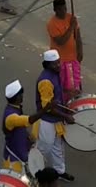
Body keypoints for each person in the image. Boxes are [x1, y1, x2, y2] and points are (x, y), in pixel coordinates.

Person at [32, 49, 75, 182]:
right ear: (47, 64)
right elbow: (48, 108)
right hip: (47, 121)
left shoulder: (55, 74)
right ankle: (34, 173)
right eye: (55, 63)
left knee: (58, 147)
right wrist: (66, 116)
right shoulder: (45, 81)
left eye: (58, 62)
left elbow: (57, 94)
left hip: (55, 120)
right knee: (44, 149)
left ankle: (59, 171)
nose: (58, 65)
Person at [2, 80, 53, 173]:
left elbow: (20, 128)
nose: (22, 96)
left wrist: (27, 137)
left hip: (21, 154)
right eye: (21, 94)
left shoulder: (15, 108)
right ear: (18, 97)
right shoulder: (10, 117)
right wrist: (45, 110)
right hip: (14, 162)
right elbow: (29, 120)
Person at [47, 0, 83, 103]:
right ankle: (64, 104)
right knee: (63, 85)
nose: (63, 12)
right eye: (60, 9)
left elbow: (78, 36)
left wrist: (80, 51)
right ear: (55, 10)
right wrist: (71, 27)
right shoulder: (51, 24)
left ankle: (75, 102)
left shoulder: (71, 18)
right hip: (60, 61)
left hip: (73, 58)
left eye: (64, 9)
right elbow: (60, 41)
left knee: (75, 84)